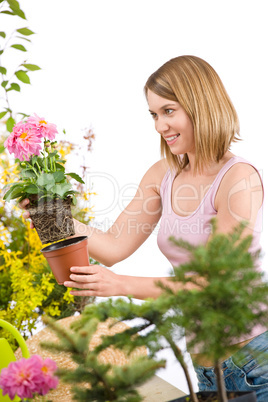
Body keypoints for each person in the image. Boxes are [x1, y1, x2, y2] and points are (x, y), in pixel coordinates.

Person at [22, 55, 267, 400]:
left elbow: (216, 283)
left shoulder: (239, 179)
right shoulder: (162, 175)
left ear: (201, 106)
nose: (159, 126)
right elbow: (114, 245)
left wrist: (120, 284)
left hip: (256, 365)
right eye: (154, 114)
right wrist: (50, 216)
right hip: (206, 370)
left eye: (169, 111)